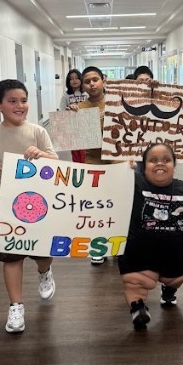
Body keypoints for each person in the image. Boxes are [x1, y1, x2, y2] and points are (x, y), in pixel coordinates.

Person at [0, 79, 58, 334]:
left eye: (23, 100)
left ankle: (45, 272)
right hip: (4, 202)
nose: (20, 105)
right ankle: (16, 305)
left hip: (40, 201)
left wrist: (41, 154)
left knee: (42, 251)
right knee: (11, 256)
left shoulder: (37, 132)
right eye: (12, 101)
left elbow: (55, 161)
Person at [118, 143, 183, 331]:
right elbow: (111, 183)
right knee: (135, 281)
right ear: (143, 165)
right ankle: (138, 308)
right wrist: (124, 169)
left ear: (174, 165)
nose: (160, 164)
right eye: (153, 160)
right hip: (138, 251)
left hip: (172, 253)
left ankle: (169, 290)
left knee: (177, 278)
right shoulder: (135, 183)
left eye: (166, 160)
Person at [69, 66, 120, 265]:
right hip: (93, 162)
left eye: (95, 79)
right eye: (87, 81)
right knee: (97, 206)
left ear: (103, 81)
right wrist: (71, 120)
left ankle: (118, 246)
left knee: (118, 205)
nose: (92, 83)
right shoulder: (79, 109)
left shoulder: (117, 103)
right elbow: (75, 140)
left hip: (118, 161)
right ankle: (98, 247)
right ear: (83, 86)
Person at [59, 69, 87, 163]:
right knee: (75, 153)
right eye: (71, 79)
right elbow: (62, 112)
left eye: (77, 78)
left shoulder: (86, 93)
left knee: (85, 153)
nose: (74, 80)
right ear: (68, 81)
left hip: (85, 126)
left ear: (81, 79)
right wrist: (68, 110)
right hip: (72, 127)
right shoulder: (66, 95)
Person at [133, 65, 154, 173]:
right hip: (134, 146)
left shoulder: (160, 98)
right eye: (141, 80)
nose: (144, 83)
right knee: (136, 174)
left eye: (147, 80)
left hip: (153, 144)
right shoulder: (128, 98)